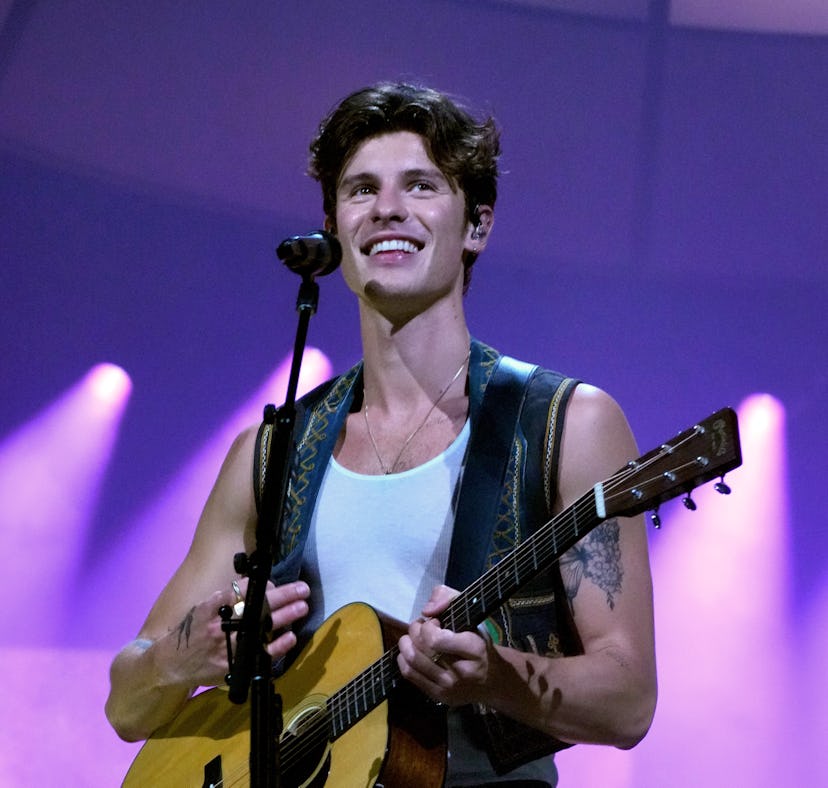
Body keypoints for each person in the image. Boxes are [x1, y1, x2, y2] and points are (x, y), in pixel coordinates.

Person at [106, 82, 657, 787]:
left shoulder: (566, 425)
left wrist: (497, 677)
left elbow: (629, 699)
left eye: (421, 186)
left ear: (478, 226)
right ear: (335, 230)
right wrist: (178, 659)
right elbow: (126, 704)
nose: (388, 208)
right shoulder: (272, 453)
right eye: (361, 190)